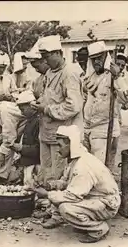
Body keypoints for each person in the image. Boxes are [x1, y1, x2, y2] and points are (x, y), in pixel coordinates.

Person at [31, 125, 121, 243]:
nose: (57, 149)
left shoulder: (83, 165)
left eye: (60, 145)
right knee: (61, 194)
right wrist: (50, 185)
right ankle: (57, 217)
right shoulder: (75, 159)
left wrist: (47, 193)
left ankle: (98, 228)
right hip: (93, 197)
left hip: (106, 203)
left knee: (66, 208)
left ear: (70, 144)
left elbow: (72, 196)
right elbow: (66, 182)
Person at [32, 35, 84, 185]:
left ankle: (56, 199)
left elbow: (73, 106)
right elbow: (48, 96)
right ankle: (47, 197)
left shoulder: (69, 73)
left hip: (61, 133)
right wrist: (39, 103)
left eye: (47, 56)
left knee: (59, 171)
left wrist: (47, 109)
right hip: (46, 130)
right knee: (46, 168)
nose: (45, 61)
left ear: (58, 53)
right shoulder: (49, 73)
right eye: (43, 57)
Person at [81, 41, 121, 168]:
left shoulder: (113, 76)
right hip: (88, 129)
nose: (96, 62)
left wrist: (118, 77)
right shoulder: (89, 78)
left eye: (99, 58)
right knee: (88, 166)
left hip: (105, 130)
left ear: (106, 57)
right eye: (93, 59)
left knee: (100, 169)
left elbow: (127, 101)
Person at [10, 90, 41, 187]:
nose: (21, 112)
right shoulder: (30, 120)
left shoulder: (38, 122)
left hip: (35, 164)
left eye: (23, 109)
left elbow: (39, 148)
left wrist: (21, 148)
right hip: (28, 162)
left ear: (31, 106)